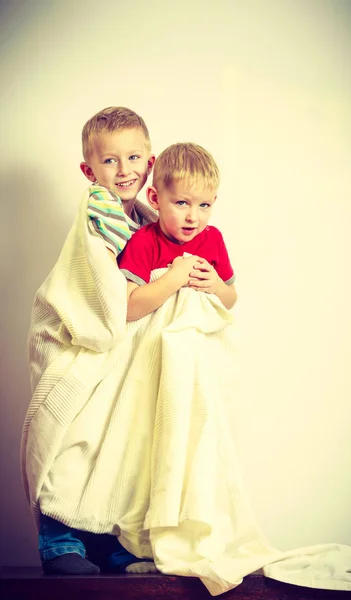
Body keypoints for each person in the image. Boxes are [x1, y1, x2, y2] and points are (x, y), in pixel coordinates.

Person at [26, 106, 160, 575]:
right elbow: (110, 293)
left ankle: (101, 535)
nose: (124, 170)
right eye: (110, 161)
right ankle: (58, 541)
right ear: (89, 170)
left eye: (134, 157)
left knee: (110, 436)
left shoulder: (144, 216)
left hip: (113, 347)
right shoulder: (101, 211)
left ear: (151, 162)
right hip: (70, 330)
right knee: (69, 436)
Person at [118, 142, 237, 321]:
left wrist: (217, 286)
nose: (193, 217)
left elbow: (230, 300)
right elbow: (127, 310)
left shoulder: (213, 238)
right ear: (155, 198)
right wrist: (176, 277)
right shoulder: (144, 242)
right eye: (182, 203)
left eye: (204, 205)